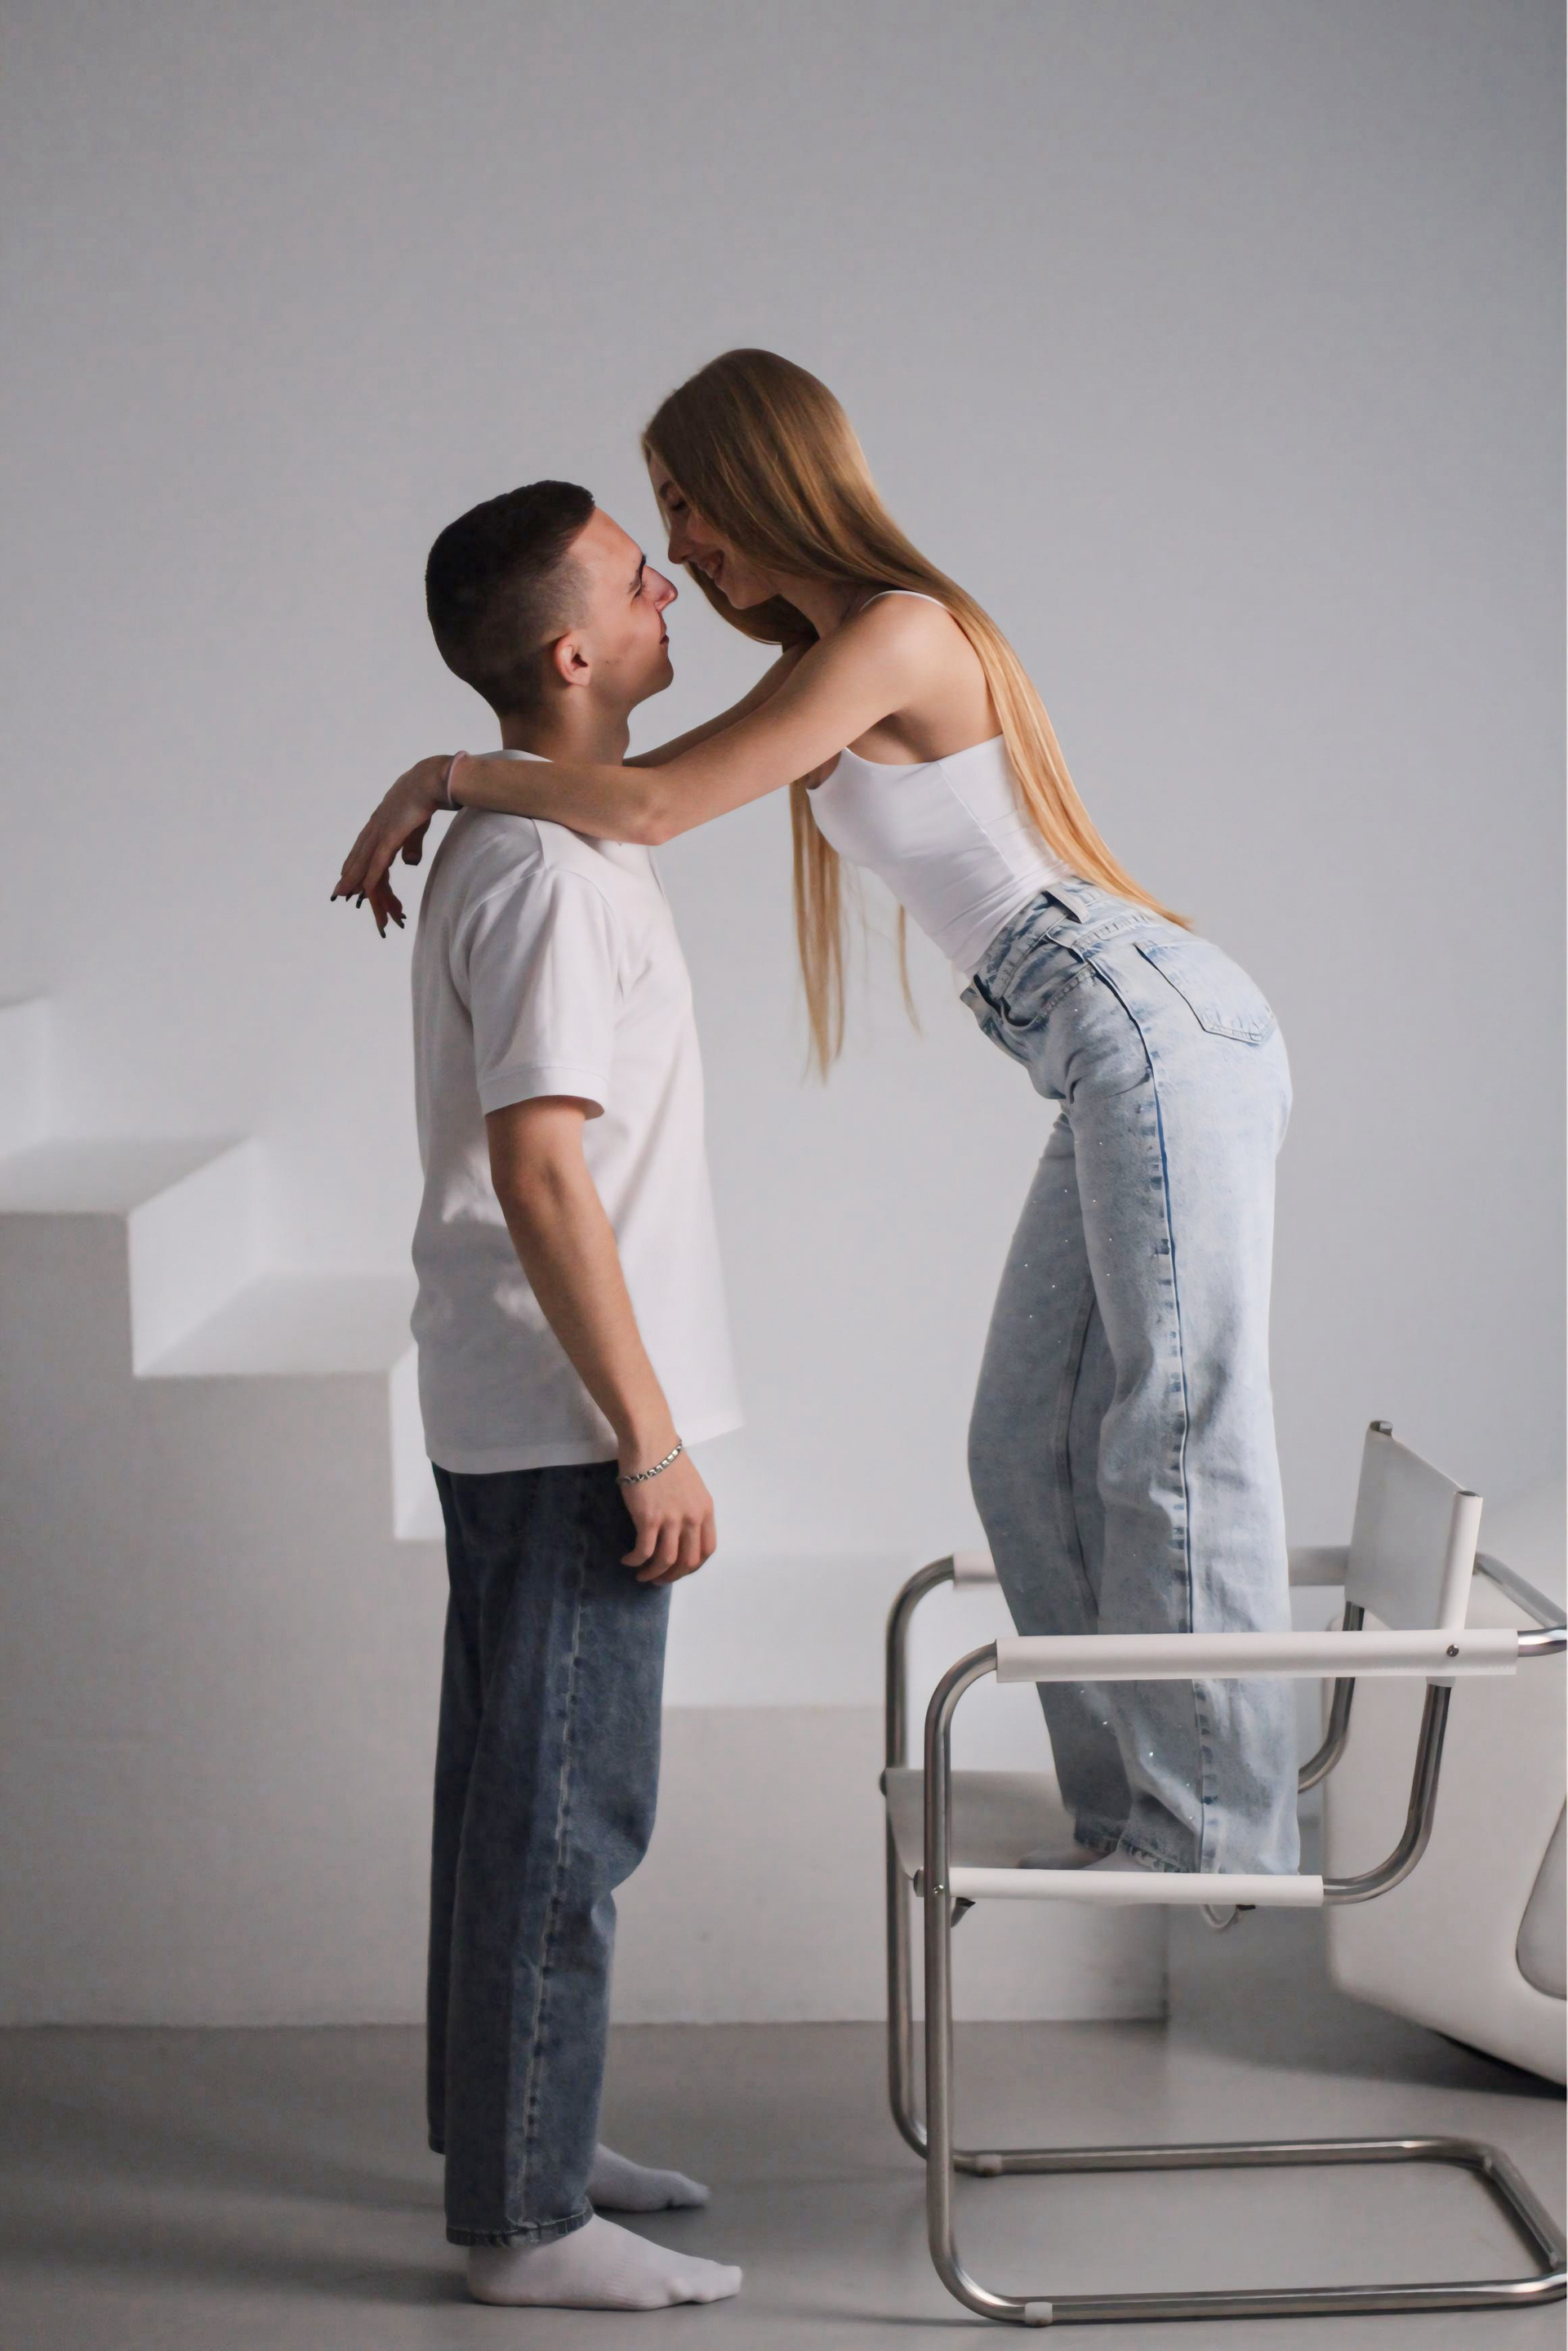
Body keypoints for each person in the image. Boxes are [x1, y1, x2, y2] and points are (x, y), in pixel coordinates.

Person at [342, 353, 1299, 1900]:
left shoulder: (898, 632)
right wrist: (468, 781)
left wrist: (447, 772)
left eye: (687, 504)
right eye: (660, 517)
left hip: (1149, 1024)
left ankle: (1220, 1835)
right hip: (1096, 1045)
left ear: (763, 478)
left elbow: (650, 807)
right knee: (1020, 1448)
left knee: (1174, 1427)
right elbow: (638, 785)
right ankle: (1133, 1810)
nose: (681, 549)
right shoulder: (831, 655)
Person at [404, 479, 744, 2309]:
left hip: (527, 1401)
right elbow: (543, 1173)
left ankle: (519, 2133)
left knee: (510, 1797)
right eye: (636, 575)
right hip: (568, 1416)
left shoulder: (552, 834)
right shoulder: (544, 871)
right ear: (571, 651)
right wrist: (650, 1436)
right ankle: (522, 2224)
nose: (667, 584)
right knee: (564, 1817)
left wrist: (442, 772)